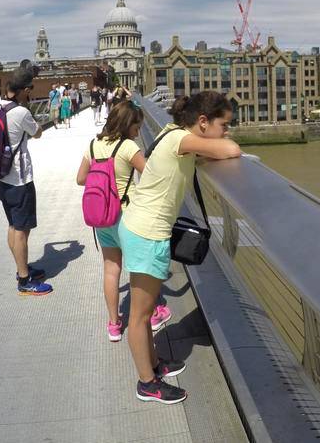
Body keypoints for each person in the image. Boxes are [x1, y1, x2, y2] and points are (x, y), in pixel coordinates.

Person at [119, 91, 241, 404]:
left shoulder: (171, 133)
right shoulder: (180, 141)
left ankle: (154, 364)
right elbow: (230, 149)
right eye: (224, 124)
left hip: (142, 228)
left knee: (144, 312)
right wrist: (219, 145)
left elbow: (208, 149)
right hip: (146, 233)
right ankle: (147, 383)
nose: (227, 131)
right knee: (139, 315)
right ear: (202, 122)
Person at [75, 101, 169, 342]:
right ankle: (156, 312)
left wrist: (103, 185)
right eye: (137, 126)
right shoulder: (128, 147)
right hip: (128, 216)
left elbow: (80, 178)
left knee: (111, 269)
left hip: (102, 218)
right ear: (129, 125)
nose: (138, 131)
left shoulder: (93, 146)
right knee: (141, 267)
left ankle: (114, 324)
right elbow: (151, 175)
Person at [0, 61, 52, 296]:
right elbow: (37, 132)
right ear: (24, 90)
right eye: (30, 89)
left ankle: (22, 268)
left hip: (2, 178)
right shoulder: (21, 112)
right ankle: (25, 281)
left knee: (12, 225)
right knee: (22, 231)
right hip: (20, 179)